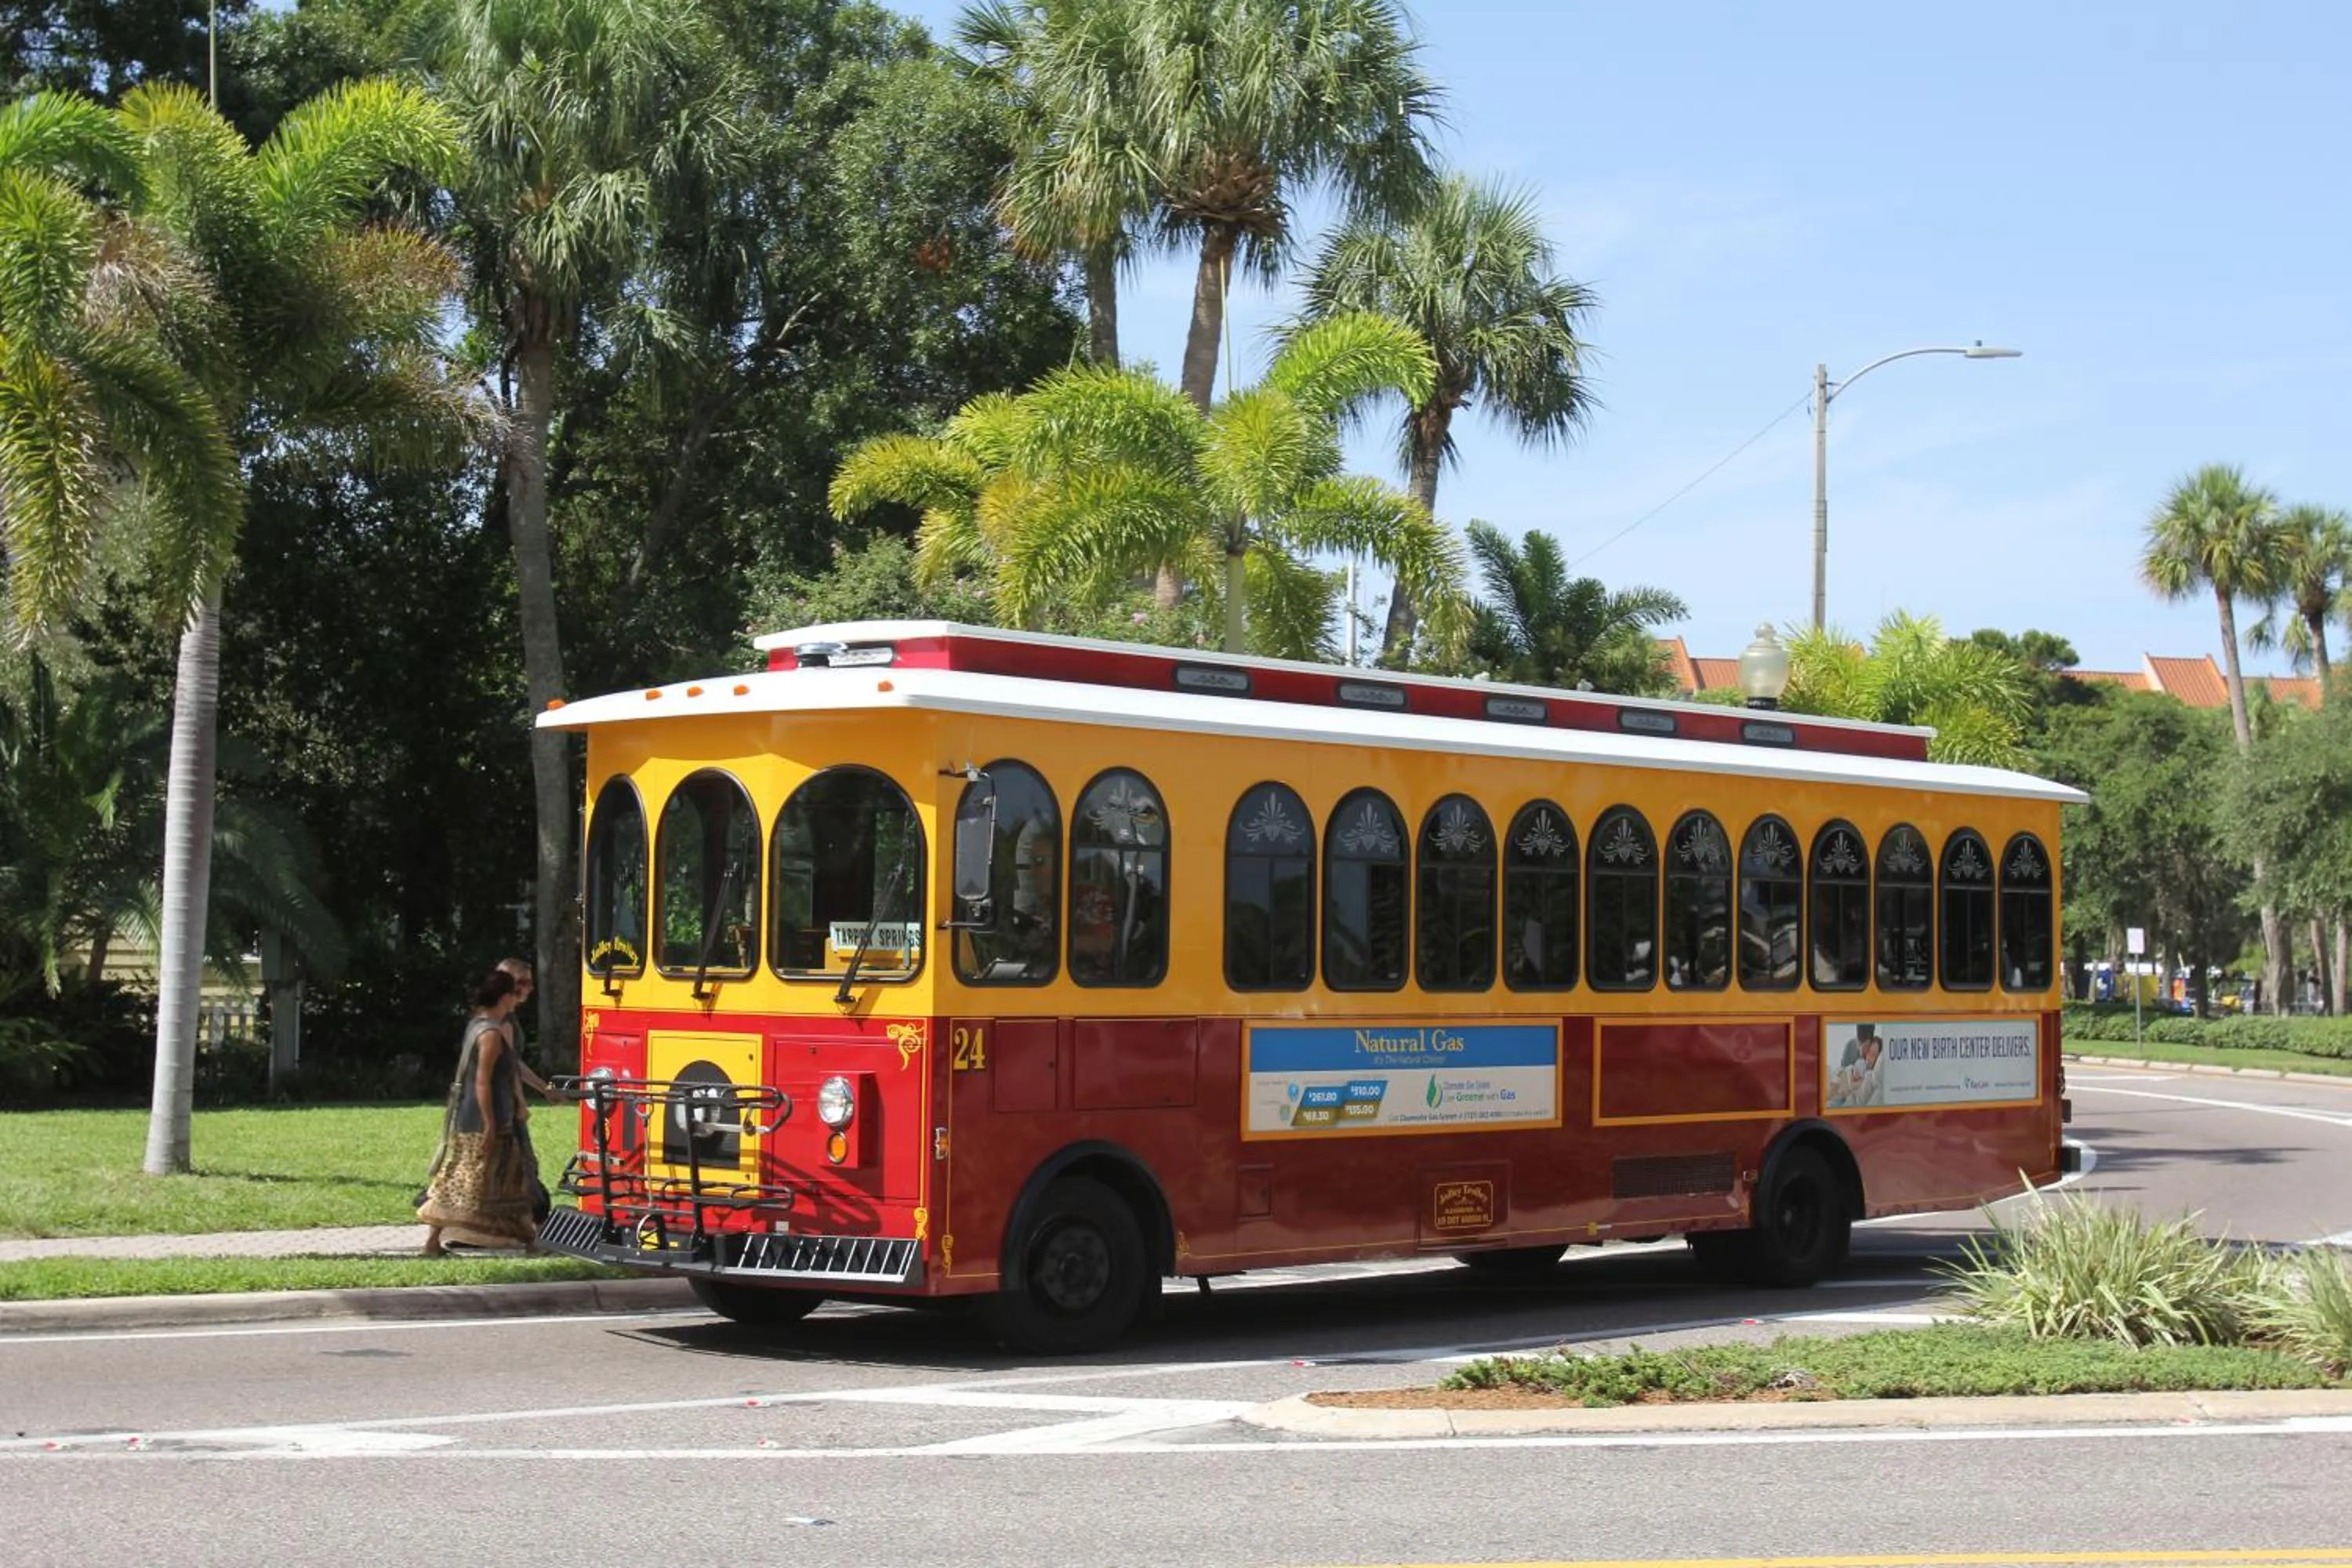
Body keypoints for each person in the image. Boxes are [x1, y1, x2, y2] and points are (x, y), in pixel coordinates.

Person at [418, 967, 543, 1255]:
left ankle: (529, 1241)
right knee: (488, 1180)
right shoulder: (491, 1034)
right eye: (513, 993)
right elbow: (482, 1082)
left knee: (476, 1180)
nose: (516, 999)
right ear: (504, 997)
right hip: (488, 1120)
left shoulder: (477, 1025)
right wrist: (489, 1125)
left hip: (476, 1117)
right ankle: (530, 1242)